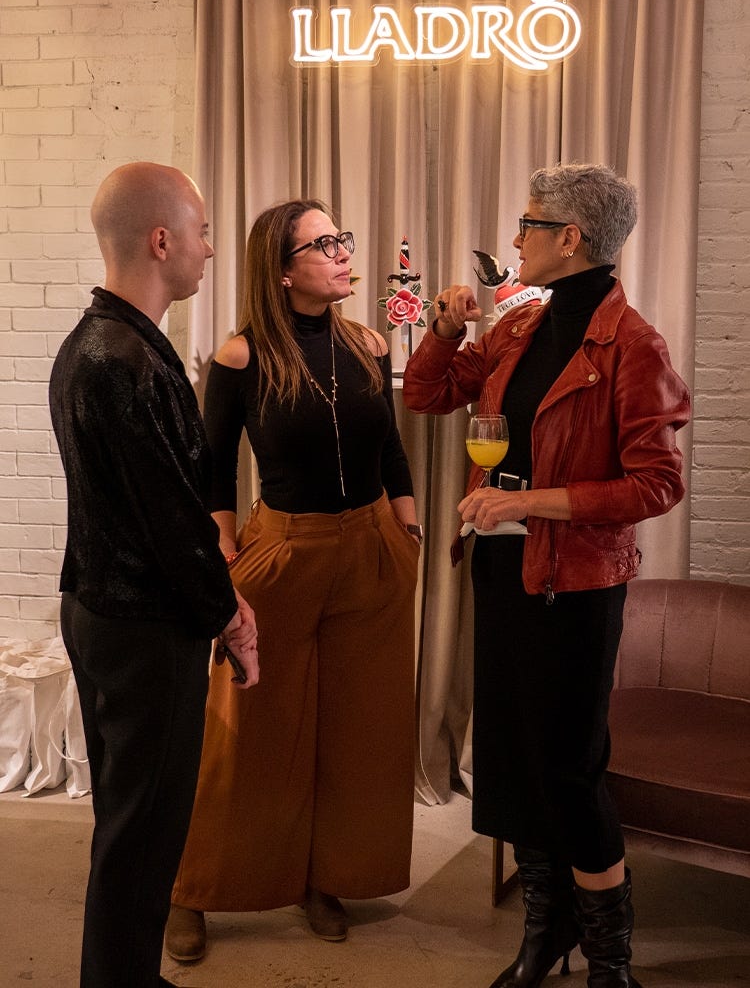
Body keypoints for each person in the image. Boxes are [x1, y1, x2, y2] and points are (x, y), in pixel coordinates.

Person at [402, 164, 690, 988]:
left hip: (577, 588)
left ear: (570, 238)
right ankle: (544, 933)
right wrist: (443, 329)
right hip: (503, 568)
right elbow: (428, 395)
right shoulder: (520, 325)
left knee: (567, 769)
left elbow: (656, 485)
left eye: (528, 224)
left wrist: (530, 500)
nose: (515, 238)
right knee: (511, 759)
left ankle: (611, 959)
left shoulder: (633, 346)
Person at [166, 199, 420, 960]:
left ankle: (325, 877)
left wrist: (406, 529)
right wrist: (225, 556)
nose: (343, 252)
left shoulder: (369, 344)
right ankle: (193, 888)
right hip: (282, 552)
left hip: (371, 551)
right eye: (323, 243)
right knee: (246, 732)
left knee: (356, 730)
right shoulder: (240, 358)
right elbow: (212, 469)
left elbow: (391, 451)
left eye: (342, 238)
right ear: (281, 271)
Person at [49, 162, 259, 988]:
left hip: (107, 611)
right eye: (202, 233)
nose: (210, 249)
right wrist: (230, 615)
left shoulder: (100, 342)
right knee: (143, 833)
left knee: (130, 825)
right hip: (139, 626)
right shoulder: (120, 358)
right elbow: (172, 523)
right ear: (162, 240)